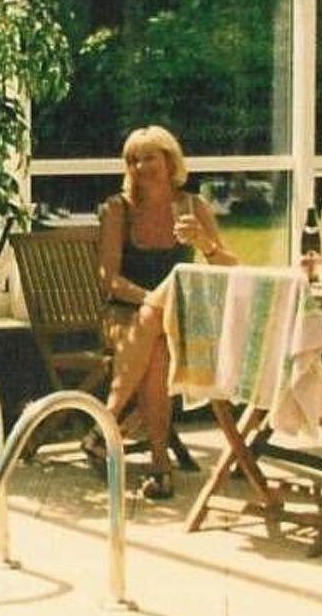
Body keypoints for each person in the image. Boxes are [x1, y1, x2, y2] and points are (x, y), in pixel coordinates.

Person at [97, 126, 238, 499]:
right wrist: (155, 301)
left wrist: (204, 243)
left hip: (177, 320)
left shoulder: (193, 206)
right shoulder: (118, 209)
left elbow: (229, 267)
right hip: (124, 316)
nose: (141, 166)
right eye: (133, 159)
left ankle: (105, 422)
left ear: (170, 161)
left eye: (149, 158)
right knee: (157, 346)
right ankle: (160, 466)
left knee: (158, 334)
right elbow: (109, 281)